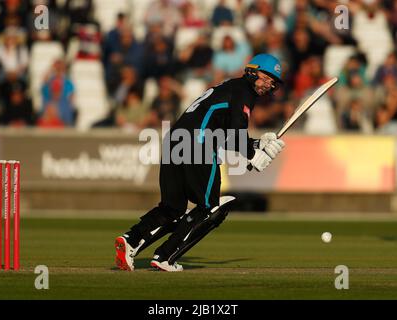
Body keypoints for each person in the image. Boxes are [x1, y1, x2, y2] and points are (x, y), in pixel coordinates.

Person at [114, 54, 286, 272]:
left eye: (273, 82)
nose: (268, 84)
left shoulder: (230, 87)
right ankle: (165, 256)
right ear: (252, 71)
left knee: (172, 208)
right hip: (198, 144)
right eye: (266, 77)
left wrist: (256, 144)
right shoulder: (244, 92)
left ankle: (130, 240)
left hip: (175, 140)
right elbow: (233, 135)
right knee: (211, 208)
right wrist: (252, 155)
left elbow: (224, 132)